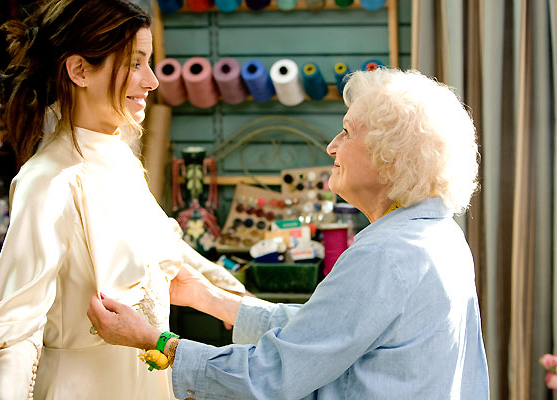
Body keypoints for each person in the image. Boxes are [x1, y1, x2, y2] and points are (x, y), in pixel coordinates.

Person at [88, 68, 490, 399]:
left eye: (347, 132)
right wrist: (211, 299)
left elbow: (273, 375)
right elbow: (326, 331)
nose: (333, 146)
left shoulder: (386, 255)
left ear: (390, 157)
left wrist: (157, 343)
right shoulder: (439, 236)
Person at [0, 0, 244, 399]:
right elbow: (14, 335)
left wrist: (249, 310)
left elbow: (172, 257)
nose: (151, 80)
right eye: (135, 63)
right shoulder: (50, 182)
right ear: (79, 70)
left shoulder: (119, 157)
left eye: (148, 62)